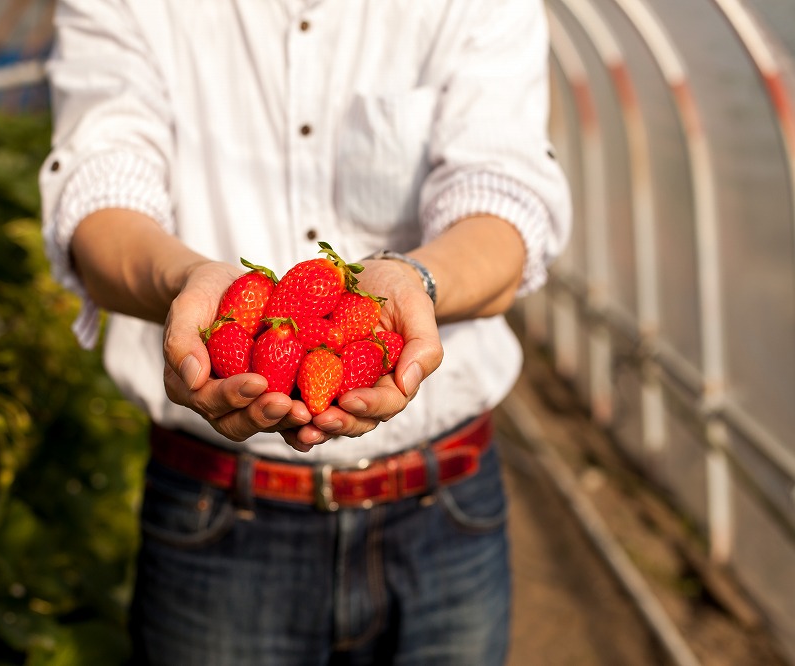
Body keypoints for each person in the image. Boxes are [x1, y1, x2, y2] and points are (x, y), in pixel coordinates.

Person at [39, 1, 570, 664]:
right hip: (215, 513)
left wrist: (415, 280)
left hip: (446, 509)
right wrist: (188, 282)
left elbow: (505, 194)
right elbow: (101, 190)